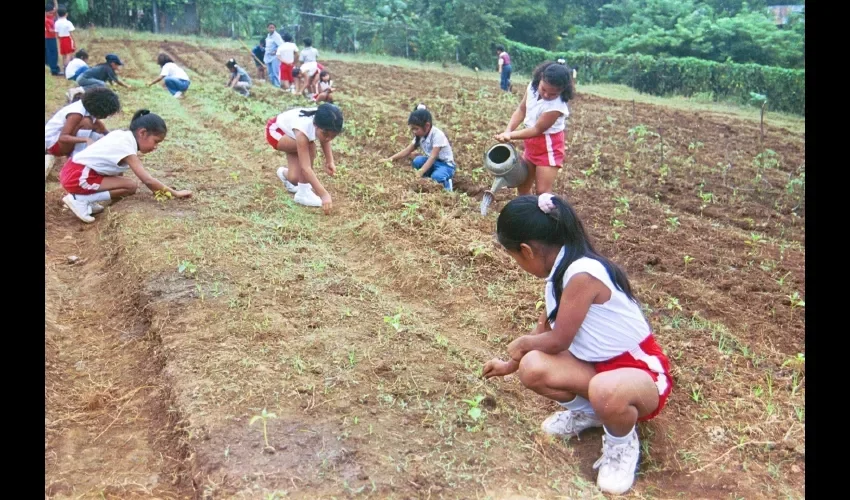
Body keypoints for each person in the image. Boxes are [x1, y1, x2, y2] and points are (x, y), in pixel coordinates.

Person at [483, 193, 673, 495]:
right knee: (533, 368)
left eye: (514, 257)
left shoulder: (582, 274)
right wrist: (513, 363)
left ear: (526, 250)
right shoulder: (559, 273)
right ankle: (594, 413)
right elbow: (544, 335)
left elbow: (560, 340)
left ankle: (621, 444)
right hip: (597, 370)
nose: (517, 263)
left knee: (604, 389)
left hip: (642, 376)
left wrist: (520, 344)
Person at [60, 110, 192, 223]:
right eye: (155, 142)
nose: (155, 147)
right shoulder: (126, 148)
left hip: (73, 171)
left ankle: (88, 199)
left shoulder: (122, 135)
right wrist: (175, 194)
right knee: (130, 186)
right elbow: (147, 180)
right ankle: (81, 199)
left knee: (123, 183)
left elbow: (113, 170)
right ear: (143, 133)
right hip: (78, 176)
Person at [494, 61, 573, 196]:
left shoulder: (557, 107)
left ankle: (550, 215)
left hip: (548, 147)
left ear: (562, 90)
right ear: (541, 77)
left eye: (553, 94)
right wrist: (508, 130)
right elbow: (521, 109)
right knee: (523, 186)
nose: (547, 95)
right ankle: (526, 215)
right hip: (531, 144)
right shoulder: (532, 87)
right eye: (544, 89)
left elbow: (537, 130)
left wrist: (511, 136)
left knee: (542, 191)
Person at [266, 104, 344, 213]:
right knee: (310, 146)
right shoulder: (303, 130)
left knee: (294, 179)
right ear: (316, 125)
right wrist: (324, 195)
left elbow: (325, 139)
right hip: (276, 132)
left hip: (290, 132)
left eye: (333, 136)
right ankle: (304, 192)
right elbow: (306, 168)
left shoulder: (323, 121)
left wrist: (329, 160)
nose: (328, 138)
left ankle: (283, 174)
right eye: (325, 134)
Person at [45, 87, 121, 180]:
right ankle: (76, 162)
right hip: (53, 145)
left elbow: (99, 126)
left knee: (95, 126)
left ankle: (86, 159)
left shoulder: (87, 109)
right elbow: (63, 137)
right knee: (87, 123)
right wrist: (86, 139)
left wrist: (110, 136)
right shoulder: (77, 113)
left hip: (61, 142)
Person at [380, 104, 455, 192]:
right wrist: (389, 159)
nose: (414, 132)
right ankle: (427, 181)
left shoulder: (437, 135)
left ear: (427, 126)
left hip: (446, 165)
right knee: (417, 161)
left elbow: (433, 157)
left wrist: (421, 171)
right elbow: (407, 150)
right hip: (433, 163)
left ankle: (447, 184)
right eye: (412, 129)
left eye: (416, 129)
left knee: (437, 177)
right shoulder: (420, 136)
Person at [264, 23, 284, 88]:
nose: (271, 29)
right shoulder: (268, 36)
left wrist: (275, 51)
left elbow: (281, 45)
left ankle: (277, 86)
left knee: (275, 72)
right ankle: (273, 86)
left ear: (275, 28)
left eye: (273, 28)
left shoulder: (277, 36)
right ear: (267, 29)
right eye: (270, 27)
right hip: (268, 56)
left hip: (275, 57)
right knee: (270, 73)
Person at [45, 2, 61, 76]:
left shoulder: (50, 16)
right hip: (49, 38)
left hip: (52, 38)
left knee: (54, 53)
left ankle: (54, 67)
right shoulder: (46, 20)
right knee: (52, 54)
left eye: (52, 12)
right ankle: (54, 70)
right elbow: (50, 30)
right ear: (46, 12)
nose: (52, 14)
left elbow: (56, 9)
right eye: (50, 13)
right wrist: (57, 30)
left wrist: (55, 1)